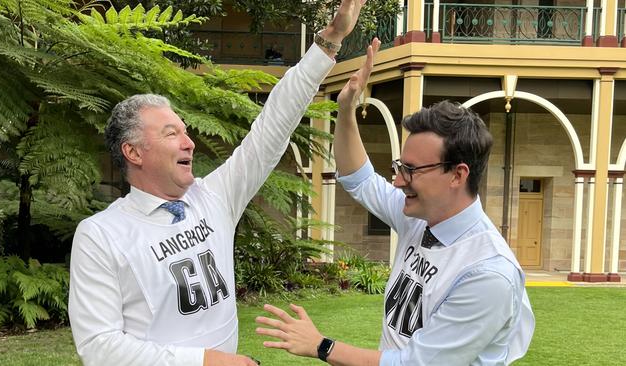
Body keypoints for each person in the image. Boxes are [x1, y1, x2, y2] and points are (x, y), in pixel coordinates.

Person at [67, 1, 367, 365]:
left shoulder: (212, 198)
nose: (189, 141)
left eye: (186, 131)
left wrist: (329, 41)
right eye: (171, 133)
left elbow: (271, 128)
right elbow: (100, 347)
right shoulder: (101, 235)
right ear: (134, 152)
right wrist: (205, 361)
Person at [255, 40, 535, 365]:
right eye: (400, 168)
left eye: (411, 170)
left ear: (457, 175)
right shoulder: (420, 217)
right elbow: (358, 178)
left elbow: (414, 364)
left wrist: (322, 346)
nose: (399, 181)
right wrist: (346, 109)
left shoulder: (487, 275)